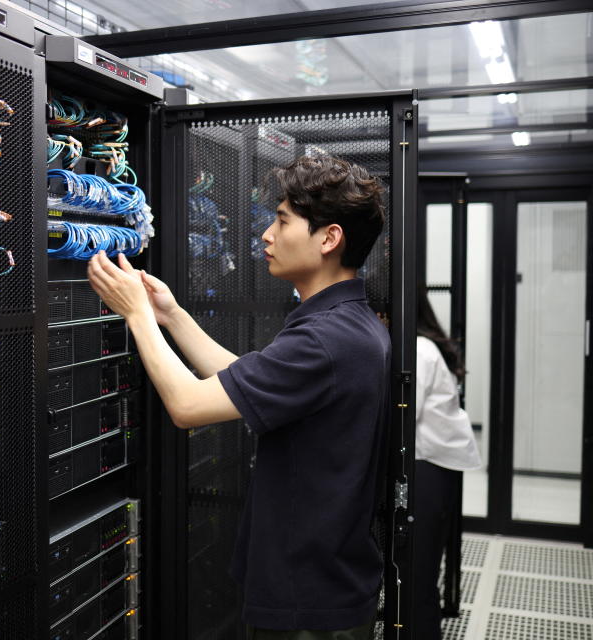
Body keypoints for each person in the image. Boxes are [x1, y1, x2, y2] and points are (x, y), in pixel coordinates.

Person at [87, 154, 390, 639]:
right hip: (323, 584)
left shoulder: (327, 340)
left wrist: (136, 316)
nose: (267, 235)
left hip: (308, 603)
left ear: (329, 239)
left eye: (283, 220)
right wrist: (171, 315)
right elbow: (243, 382)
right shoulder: (347, 324)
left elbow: (188, 406)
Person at [413, 290, 481, 640]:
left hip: (430, 467)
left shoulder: (419, 350)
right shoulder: (421, 345)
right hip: (436, 466)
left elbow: (407, 415)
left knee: (419, 573)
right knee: (420, 569)